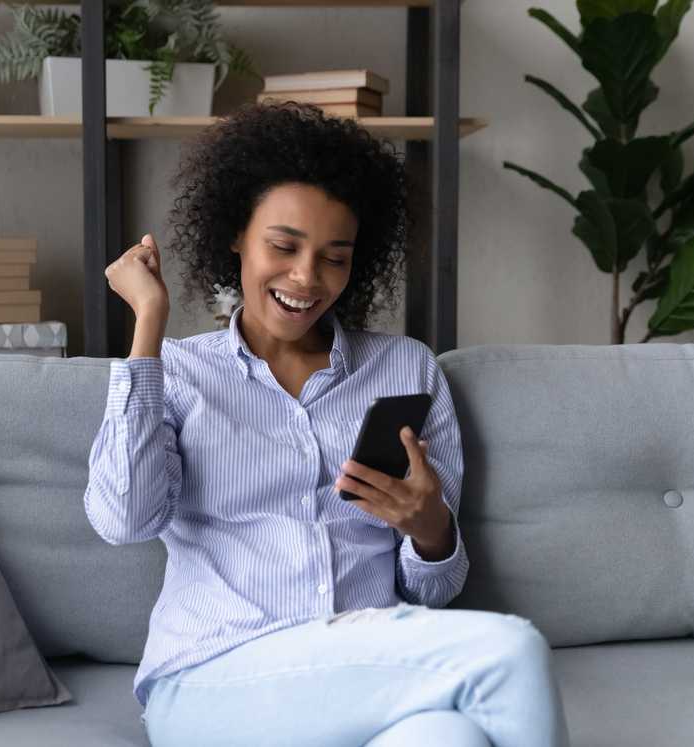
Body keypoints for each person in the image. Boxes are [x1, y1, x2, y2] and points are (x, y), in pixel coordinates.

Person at [85, 102, 570, 747]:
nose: (307, 278)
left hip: (360, 672)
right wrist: (147, 325)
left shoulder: (407, 370)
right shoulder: (176, 374)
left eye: (334, 257)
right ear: (236, 235)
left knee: (450, 738)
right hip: (216, 678)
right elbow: (125, 519)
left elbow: (434, 591)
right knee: (509, 650)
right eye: (283, 247)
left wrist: (430, 532)